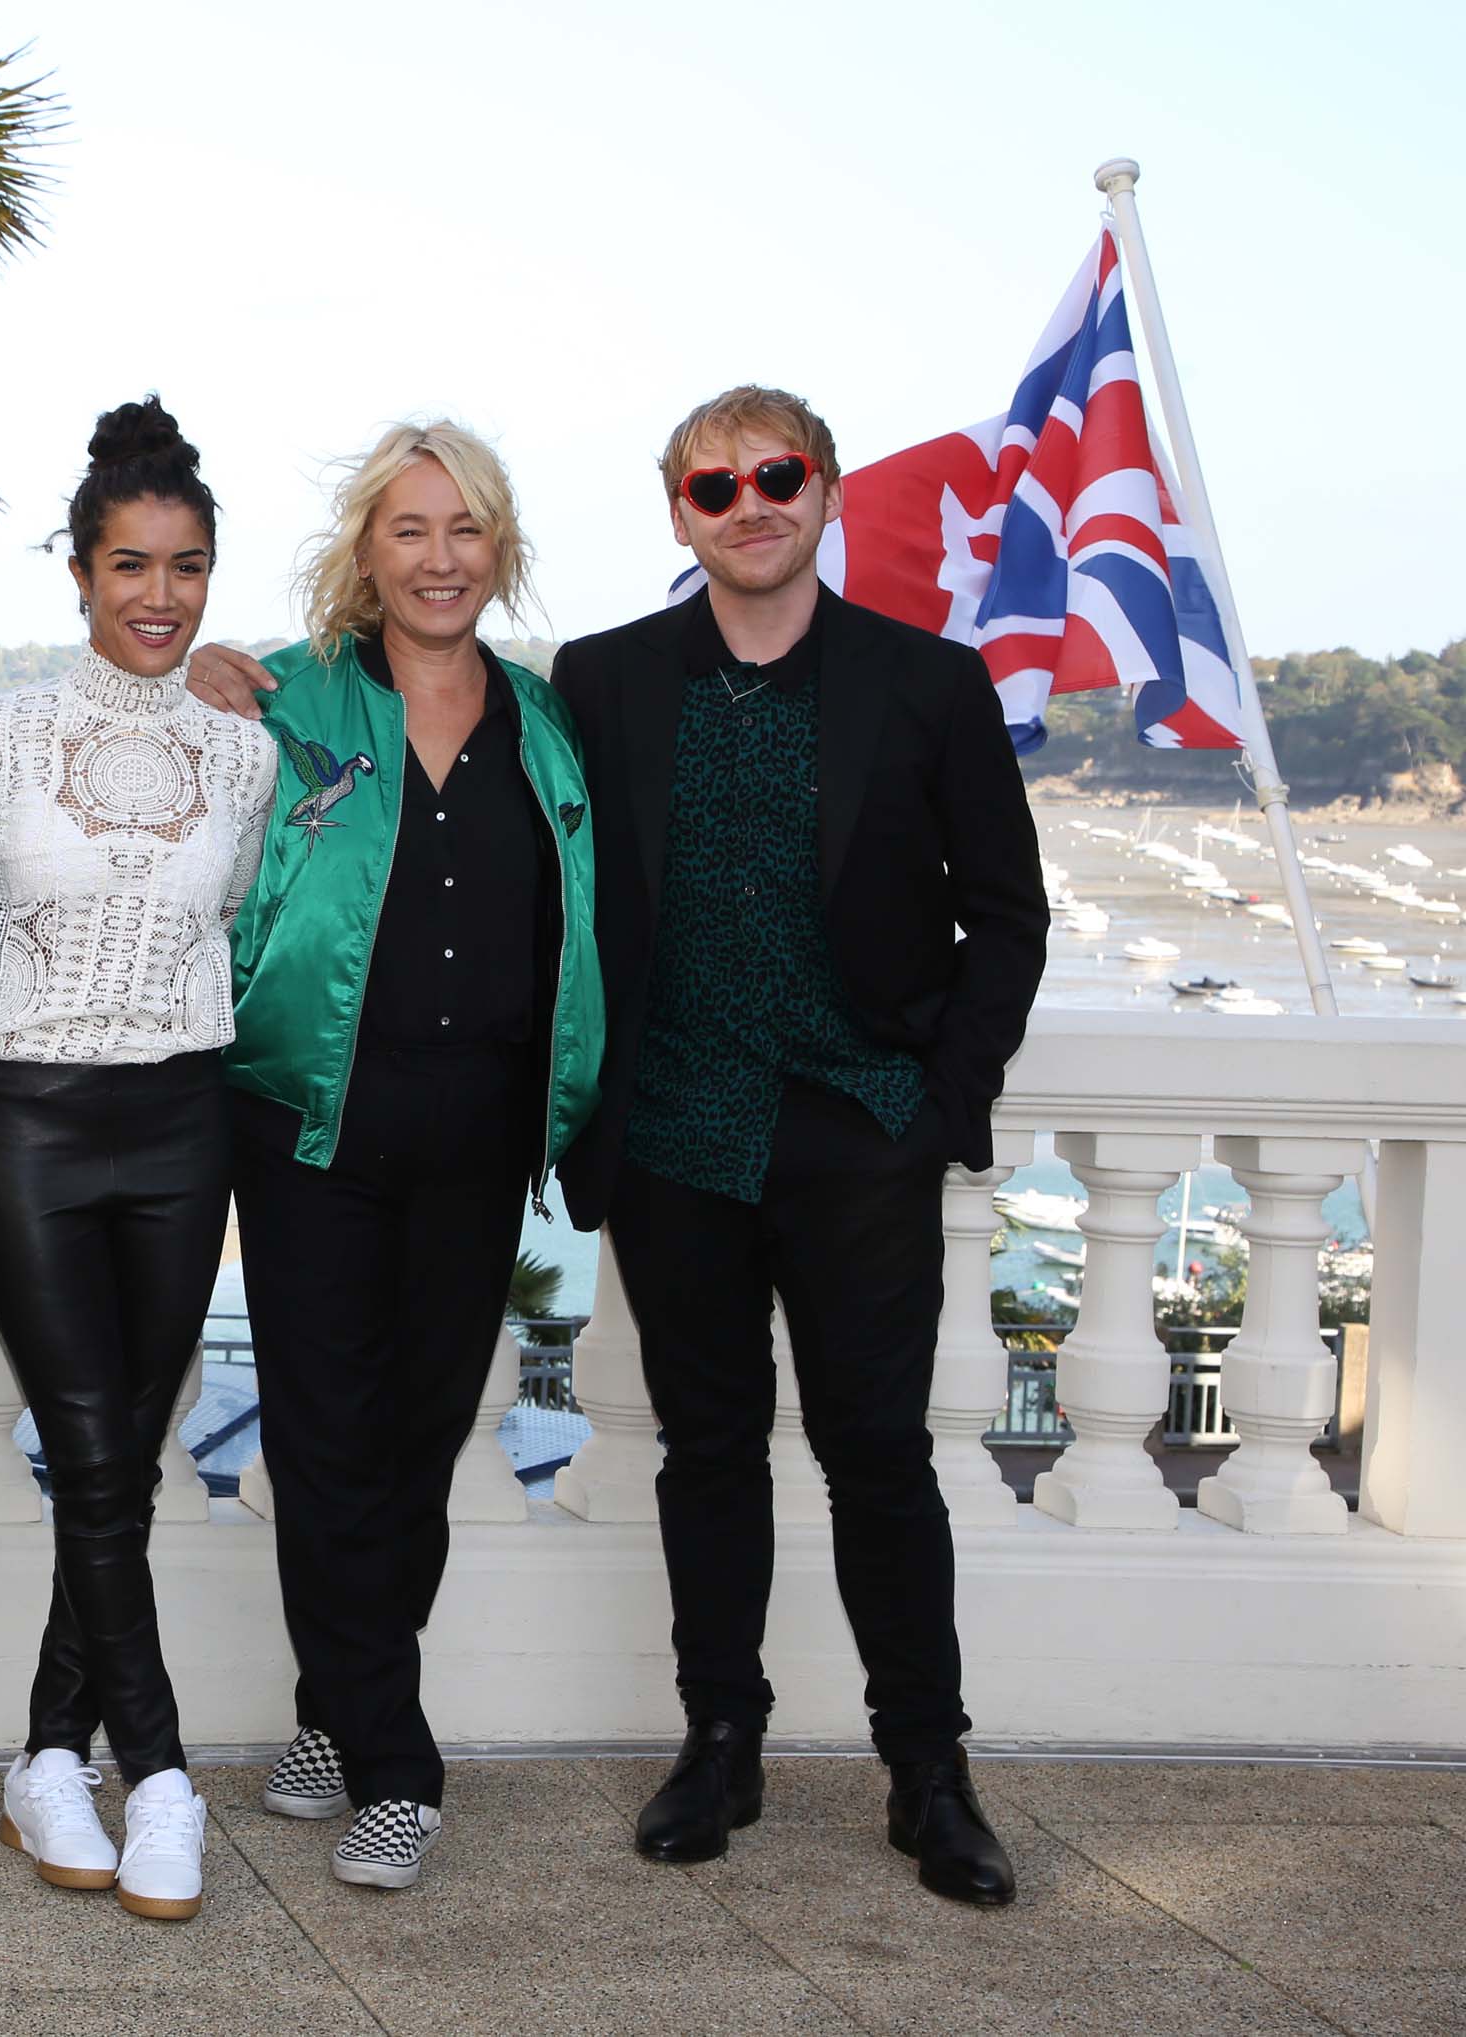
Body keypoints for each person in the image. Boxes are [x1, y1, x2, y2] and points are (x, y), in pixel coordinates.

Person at [548, 386, 1041, 1906]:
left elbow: (1006, 913)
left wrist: (939, 1108)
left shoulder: (926, 684)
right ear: (678, 511)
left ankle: (929, 1772)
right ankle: (722, 1739)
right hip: (678, 1138)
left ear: (824, 492)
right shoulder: (604, 679)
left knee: (879, 1456)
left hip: (857, 1135)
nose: (748, 502)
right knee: (708, 1454)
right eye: (715, 484)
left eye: (777, 476)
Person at [226, 420, 602, 1893]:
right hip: (311, 1122)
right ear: (364, 550)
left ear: (499, 551)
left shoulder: (546, 720)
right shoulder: (285, 696)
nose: (440, 556)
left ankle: (331, 1710)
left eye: (467, 529)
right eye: (411, 528)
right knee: (323, 1439)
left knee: (421, 1442)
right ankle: (397, 1758)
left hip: (480, 1134)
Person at [0, 399, 277, 1923]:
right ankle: (159, 1775)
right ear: (78, 570)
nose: (161, 594)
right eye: (131, 564)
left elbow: (236, 926)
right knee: (91, 1452)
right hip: (29, 1119)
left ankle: (42, 1759)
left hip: (179, 1122)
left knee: (119, 1469)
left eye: (188, 565)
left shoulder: (244, 750)